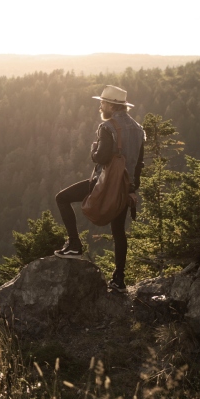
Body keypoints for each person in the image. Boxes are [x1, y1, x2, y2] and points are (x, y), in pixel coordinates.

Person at [53, 85, 145, 292]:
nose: (100, 106)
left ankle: (75, 246)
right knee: (119, 231)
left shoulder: (108, 127)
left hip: (102, 184)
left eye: (102, 103)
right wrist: (131, 188)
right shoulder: (139, 130)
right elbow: (139, 164)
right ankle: (119, 279)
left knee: (62, 198)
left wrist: (93, 150)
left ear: (112, 106)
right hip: (124, 187)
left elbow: (102, 157)